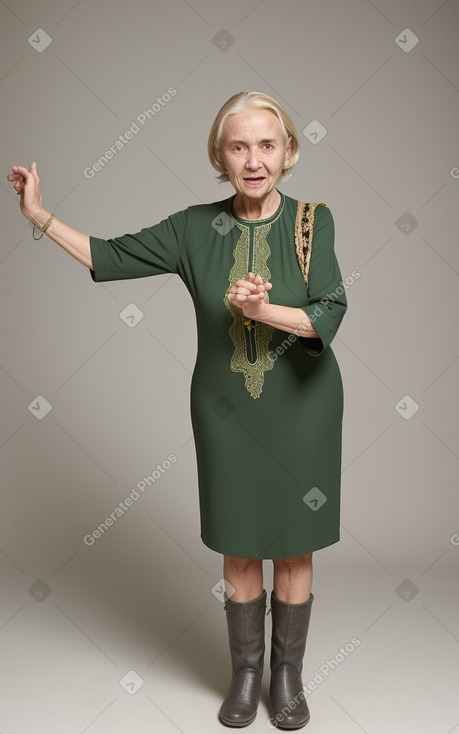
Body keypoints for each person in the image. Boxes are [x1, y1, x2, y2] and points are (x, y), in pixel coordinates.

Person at [7, 91, 347, 729]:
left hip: (304, 409)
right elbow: (110, 255)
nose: (254, 159)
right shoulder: (196, 227)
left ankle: (287, 677)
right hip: (226, 414)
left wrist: (260, 312)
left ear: (289, 151)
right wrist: (40, 214)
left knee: (295, 551)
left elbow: (330, 311)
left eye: (267, 145)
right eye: (238, 146)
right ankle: (245, 675)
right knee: (239, 549)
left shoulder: (313, 221)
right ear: (220, 156)